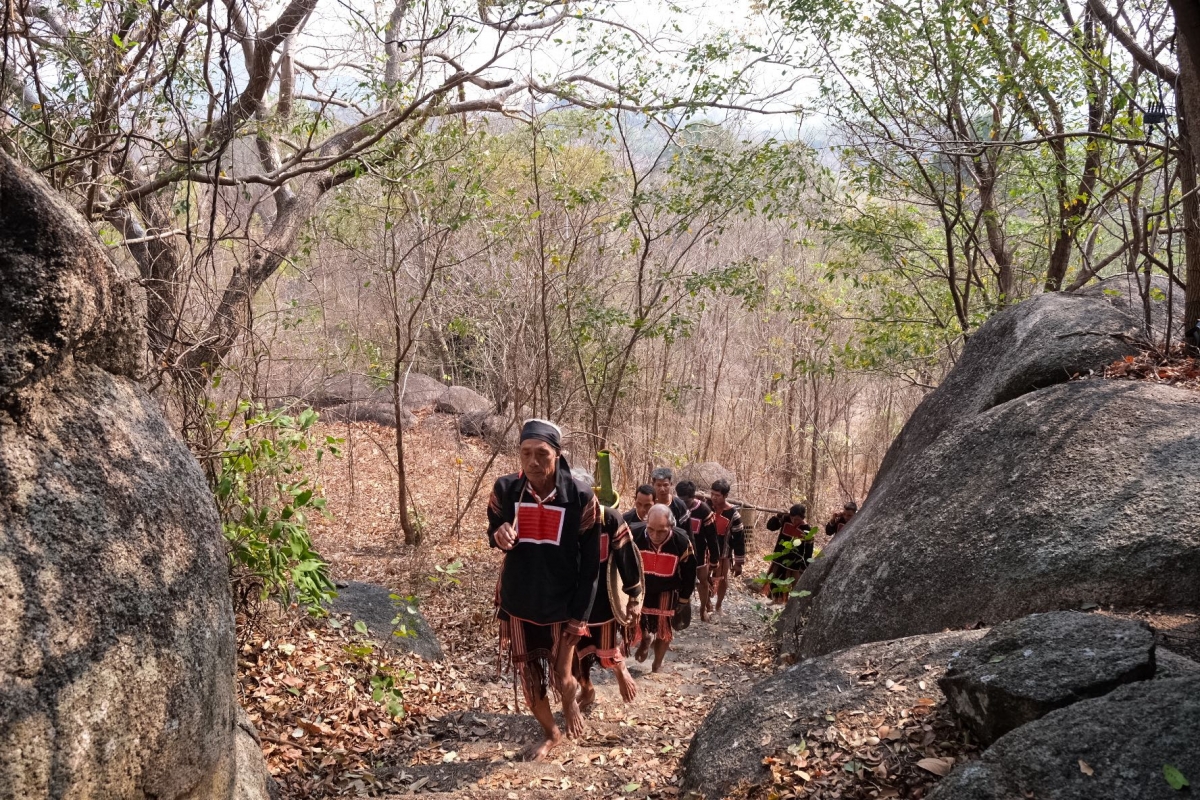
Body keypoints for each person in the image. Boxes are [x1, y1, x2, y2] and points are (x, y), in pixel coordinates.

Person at [487, 419, 601, 761]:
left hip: (562, 605)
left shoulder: (581, 498)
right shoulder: (505, 489)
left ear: (558, 454)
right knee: (529, 676)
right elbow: (493, 526)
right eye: (525, 453)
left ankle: (570, 702)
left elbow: (591, 566)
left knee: (563, 675)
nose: (533, 461)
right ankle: (551, 733)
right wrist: (498, 533)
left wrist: (578, 617)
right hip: (518, 602)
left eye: (542, 454)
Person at [571, 469, 642, 711]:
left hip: (603, 598)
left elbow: (626, 557)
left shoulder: (610, 519)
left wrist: (634, 596)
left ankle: (620, 668)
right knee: (571, 654)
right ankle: (586, 688)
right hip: (569, 600)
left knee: (606, 648)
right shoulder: (562, 518)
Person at [632, 504, 697, 672]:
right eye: (651, 529)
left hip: (668, 591)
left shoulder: (681, 542)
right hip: (641, 589)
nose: (655, 535)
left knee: (664, 629)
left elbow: (690, 573)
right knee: (639, 623)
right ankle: (645, 639)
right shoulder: (634, 536)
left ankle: (657, 664)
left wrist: (684, 598)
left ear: (671, 526)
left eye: (661, 531)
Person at [676, 480, 720, 621]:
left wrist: (714, 558)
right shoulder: (675, 507)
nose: (684, 504)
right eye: (681, 500)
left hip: (700, 552)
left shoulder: (704, 510)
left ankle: (702, 610)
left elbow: (712, 537)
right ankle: (681, 608)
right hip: (681, 552)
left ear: (693, 497)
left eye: (687, 501)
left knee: (703, 581)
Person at [707, 480, 746, 614]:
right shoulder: (706, 508)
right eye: (712, 494)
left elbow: (739, 539)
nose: (713, 498)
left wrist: (738, 563)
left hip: (723, 554)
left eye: (717, 495)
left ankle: (718, 605)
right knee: (704, 577)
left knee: (722, 579)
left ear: (725, 495)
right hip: (706, 553)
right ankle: (706, 603)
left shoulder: (733, 515)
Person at [764, 504, 812, 603]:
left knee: (791, 583)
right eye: (792, 518)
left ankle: (789, 603)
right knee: (776, 578)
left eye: (797, 519)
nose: (794, 521)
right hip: (779, 556)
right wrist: (777, 517)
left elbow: (808, 550)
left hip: (794, 562)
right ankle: (775, 599)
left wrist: (805, 566)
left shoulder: (806, 529)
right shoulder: (785, 519)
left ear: (802, 518)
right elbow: (770, 527)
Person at [650, 467, 691, 537]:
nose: (662, 489)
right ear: (653, 485)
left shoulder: (679, 505)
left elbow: (688, 532)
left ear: (671, 484)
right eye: (659, 485)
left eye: (665, 485)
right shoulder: (649, 504)